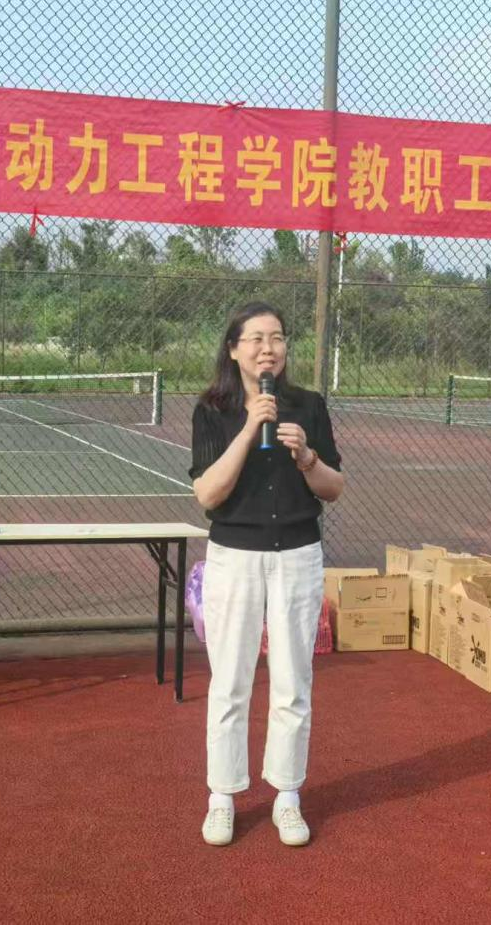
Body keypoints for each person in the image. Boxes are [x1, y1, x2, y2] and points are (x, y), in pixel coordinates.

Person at [188, 301, 345, 848]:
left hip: (298, 554)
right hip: (235, 556)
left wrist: (307, 459)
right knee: (230, 682)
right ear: (234, 349)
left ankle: (287, 795)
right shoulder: (214, 410)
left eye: (276, 337)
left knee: (293, 682)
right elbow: (208, 494)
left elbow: (333, 487)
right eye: (255, 338)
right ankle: (222, 797)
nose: (267, 349)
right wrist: (249, 427)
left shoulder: (308, 405)